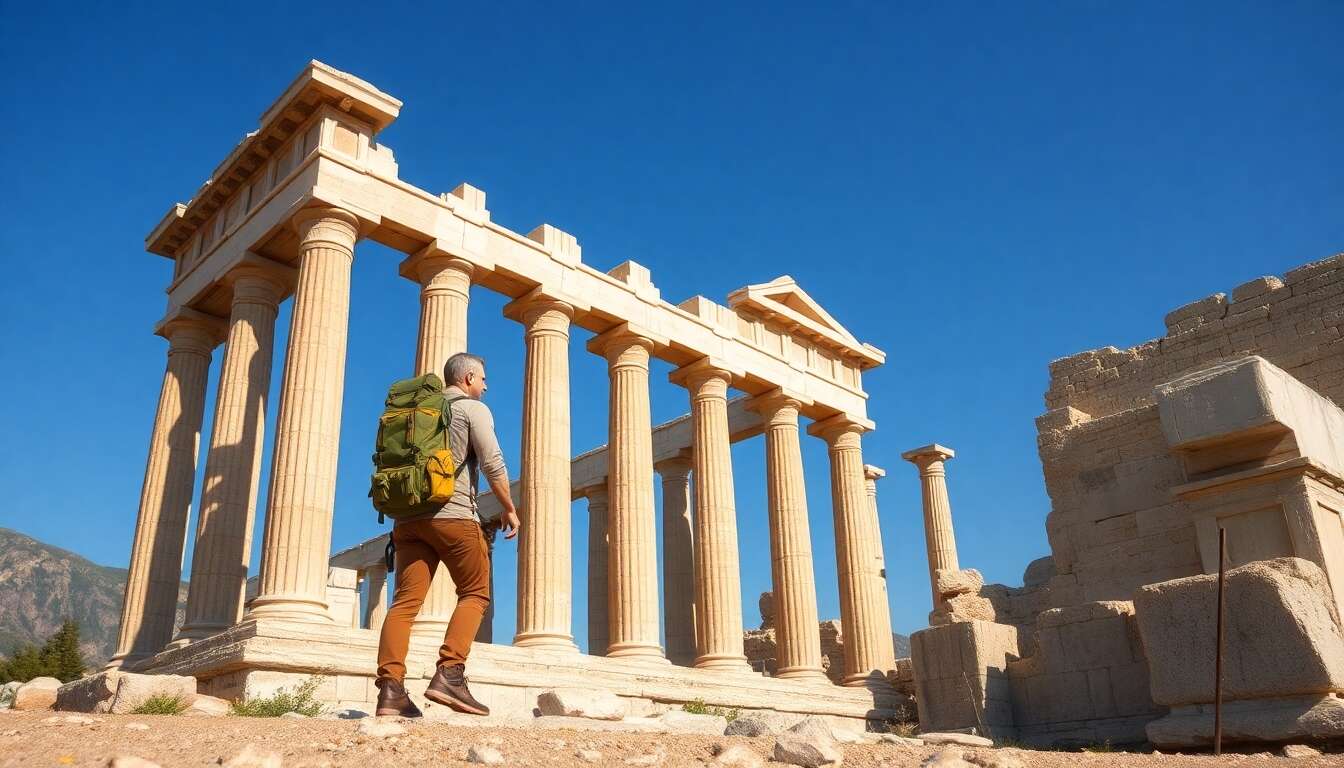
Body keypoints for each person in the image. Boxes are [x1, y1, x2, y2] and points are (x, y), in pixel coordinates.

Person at [374, 352, 521, 717]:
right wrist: (509, 507)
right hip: (453, 515)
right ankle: (450, 673)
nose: (486, 386)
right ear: (469, 377)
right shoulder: (473, 410)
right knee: (475, 593)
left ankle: (390, 691)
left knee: (405, 604)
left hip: (407, 518)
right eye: (483, 379)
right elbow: (493, 463)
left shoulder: (417, 412)